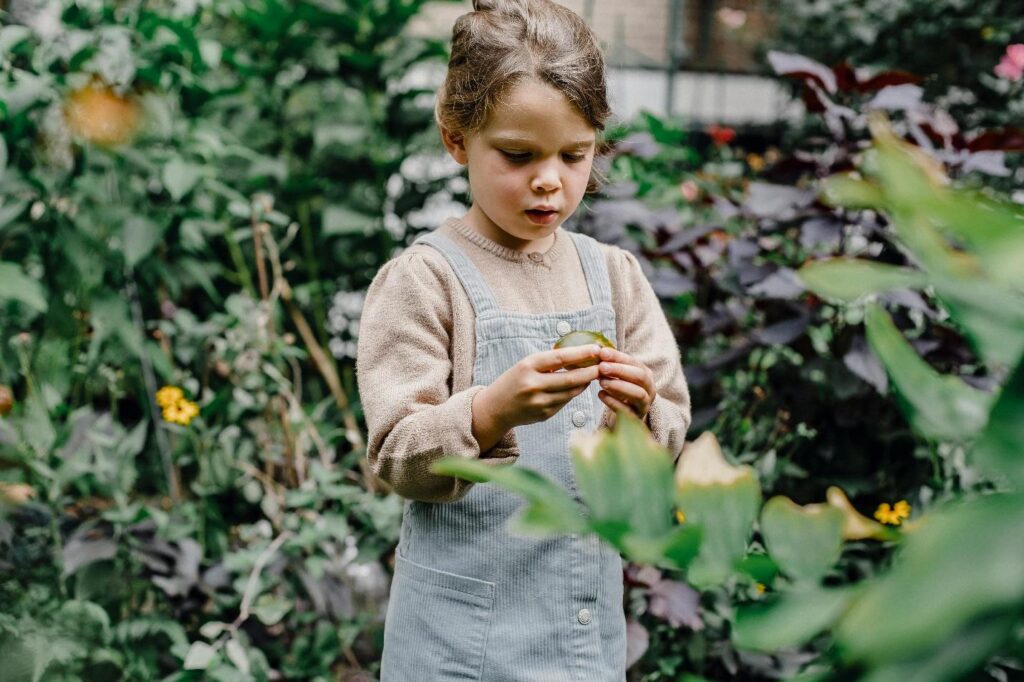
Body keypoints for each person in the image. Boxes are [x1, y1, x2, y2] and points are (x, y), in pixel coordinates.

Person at [356, 1, 691, 679]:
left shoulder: (615, 277)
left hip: (579, 634)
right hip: (458, 646)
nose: (550, 179)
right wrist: (488, 413)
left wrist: (639, 419)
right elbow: (396, 454)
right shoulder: (425, 281)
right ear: (457, 139)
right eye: (518, 154)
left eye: (576, 154)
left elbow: (668, 430)